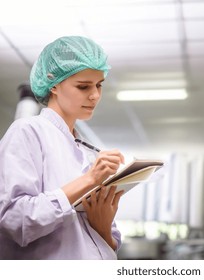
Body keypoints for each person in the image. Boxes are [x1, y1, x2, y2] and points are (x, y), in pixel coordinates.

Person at [0, 36, 125, 259]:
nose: (95, 95)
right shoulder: (27, 132)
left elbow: (109, 243)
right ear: (53, 84)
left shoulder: (88, 151)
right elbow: (15, 222)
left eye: (98, 85)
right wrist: (89, 180)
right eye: (83, 86)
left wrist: (103, 225)